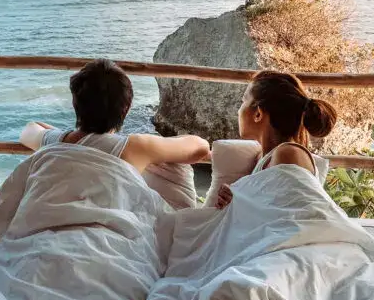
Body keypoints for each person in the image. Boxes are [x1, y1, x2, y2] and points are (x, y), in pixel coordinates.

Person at [20, 59, 211, 171]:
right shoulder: (135, 147)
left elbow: (29, 129)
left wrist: (66, 138)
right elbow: (200, 147)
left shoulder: (54, 142)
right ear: (126, 108)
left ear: (74, 104)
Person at [215, 70, 336, 209]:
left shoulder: (288, 154)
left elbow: (298, 216)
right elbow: (267, 207)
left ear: (258, 114)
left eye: (244, 101)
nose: (239, 110)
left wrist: (241, 199)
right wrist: (235, 198)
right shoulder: (263, 157)